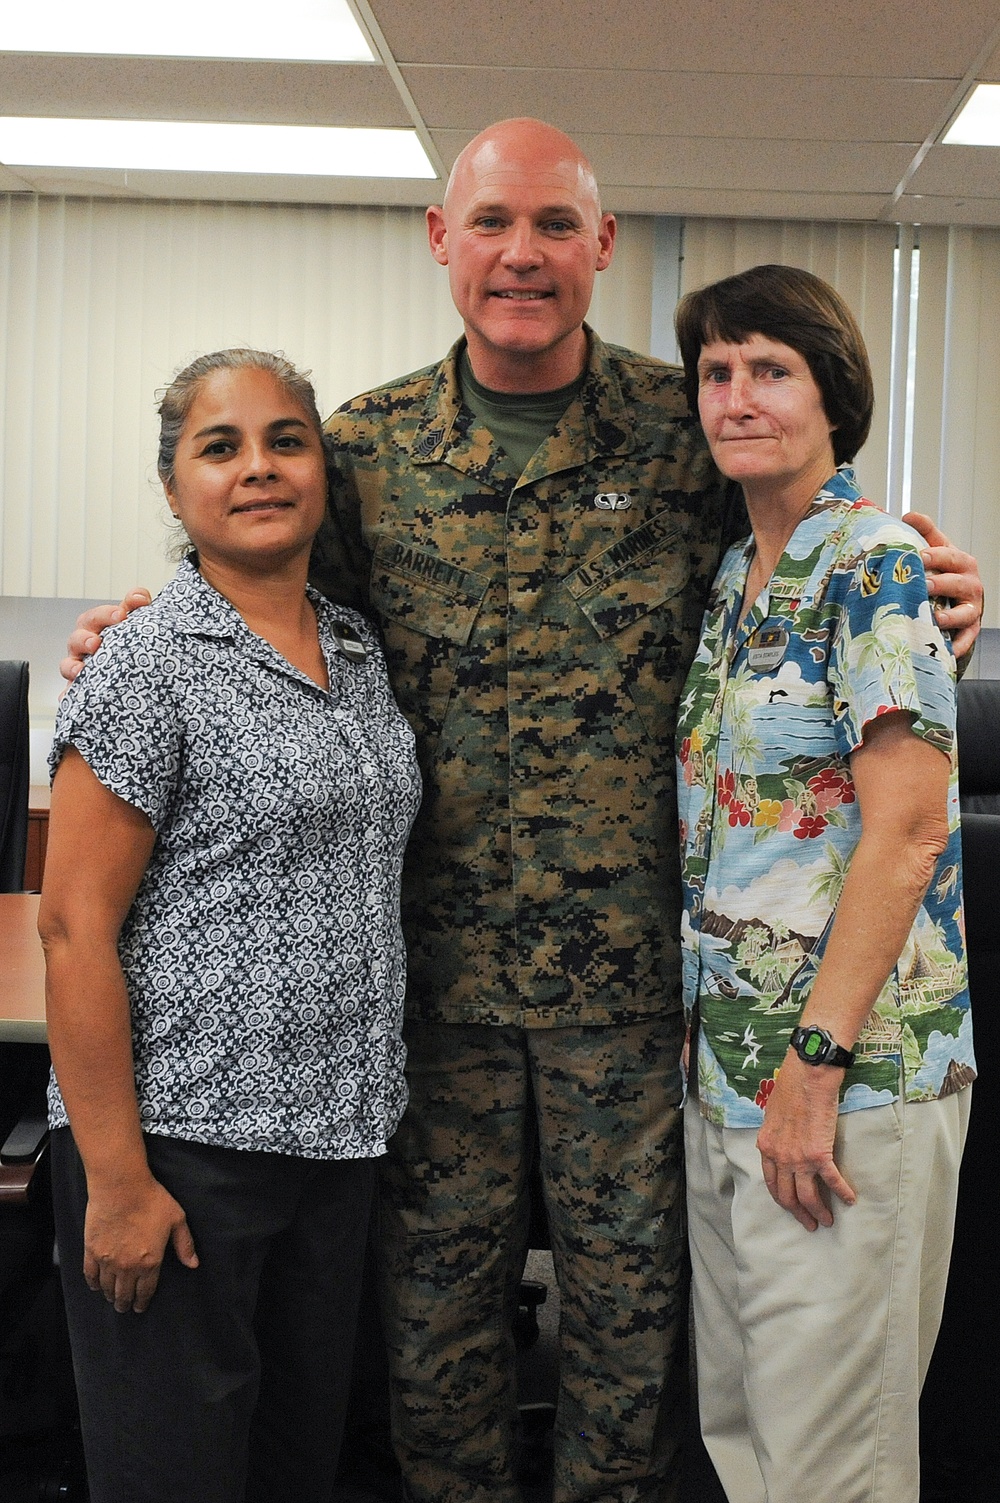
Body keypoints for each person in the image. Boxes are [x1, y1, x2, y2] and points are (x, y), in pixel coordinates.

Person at [61, 122, 984, 1503]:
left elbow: (812, 550)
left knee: (633, 1342)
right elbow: (268, 592)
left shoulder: (686, 425)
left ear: (601, 246)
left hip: (635, 990)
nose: (523, 255)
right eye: (493, 222)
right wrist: (142, 620)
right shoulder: (361, 449)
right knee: (432, 1347)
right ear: (444, 240)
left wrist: (931, 582)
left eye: (556, 224)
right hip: (423, 997)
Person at [40, 349, 421, 1503]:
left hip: (336, 1147)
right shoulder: (145, 664)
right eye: (221, 447)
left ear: (321, 469)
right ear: (174, 489)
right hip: (181, 1153)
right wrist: (114, 1180)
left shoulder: (358, 653)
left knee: (295, 1470)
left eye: (284, 441)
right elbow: (71, 930)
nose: (257, 468)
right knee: (177, 1476)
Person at [674, 265, 975, 1503]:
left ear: (833, 391)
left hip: (842, 1084)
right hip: (727, 1077)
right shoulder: (733, 581)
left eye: (771, 369)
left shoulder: (874, 564)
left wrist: (811, 1069)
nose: (737, 396)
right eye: (715, 372)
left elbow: (907, 835)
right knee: (745, 1440)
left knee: (829, 1468)